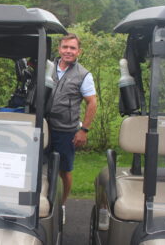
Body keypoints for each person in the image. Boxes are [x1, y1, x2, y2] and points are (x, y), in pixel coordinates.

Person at [46, 33, 97, 223]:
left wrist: (84, 130)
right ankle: (42, 200)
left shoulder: (84, 75)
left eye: (72, 48)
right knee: (39, 166)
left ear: (78, 51)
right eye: (65, 47)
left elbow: (92, 103)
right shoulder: (47, 67)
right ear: (59, 49)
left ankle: (62, 204)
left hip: (66, 129)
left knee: (64, 170)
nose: (68, 51)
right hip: (43, 126)